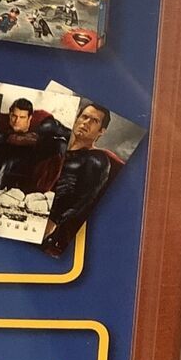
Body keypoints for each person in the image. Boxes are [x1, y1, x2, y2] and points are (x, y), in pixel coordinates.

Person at [43, 101, 123, 254]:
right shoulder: (58, 143)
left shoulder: (96, 159)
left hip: (51, 226)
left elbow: (83, 200)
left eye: (94, 121)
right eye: (84, 117)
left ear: (101, 131)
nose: (86, 122)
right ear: (76, 119)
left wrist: (53, 222)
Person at [0, 97, 68, 197]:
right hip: (10, 156)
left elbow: (69, 135)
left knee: (61, 145)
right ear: (10, 114)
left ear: (30, 118)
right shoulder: (1, 122)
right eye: (14, 116)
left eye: (22, 117)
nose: (17, 121)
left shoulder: (44, 124)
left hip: (35, 158)